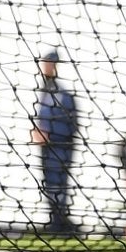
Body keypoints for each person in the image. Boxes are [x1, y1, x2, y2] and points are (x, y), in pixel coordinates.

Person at [31, 49, 78, 236]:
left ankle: (61, 224)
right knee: (49, 185)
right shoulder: (44, 92)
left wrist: (50, 134)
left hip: (60, 148)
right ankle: (55, 220)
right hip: (47, 149)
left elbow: (71, 123)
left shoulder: (62, 94)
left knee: (59, 185)